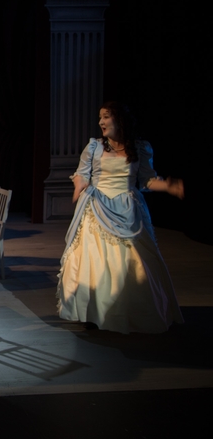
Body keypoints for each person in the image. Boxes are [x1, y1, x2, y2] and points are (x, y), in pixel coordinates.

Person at [56, 101, 184, 334]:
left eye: (106, 117)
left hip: (128, 209)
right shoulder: (94, 147)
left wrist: (168, 186)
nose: (101, 122)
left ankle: (133, 313)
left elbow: (147, 180)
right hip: (97, 207)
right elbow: (82, 174)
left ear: (120, 120)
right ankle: (94, 314)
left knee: (132, 263)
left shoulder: (140, 148)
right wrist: (79, 186)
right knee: (95, 262)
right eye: (100, 117)